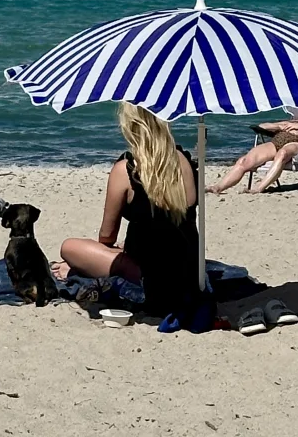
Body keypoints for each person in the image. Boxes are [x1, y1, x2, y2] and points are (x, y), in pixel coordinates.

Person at [52, 102, 200, 318]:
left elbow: (106, 236)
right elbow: (168, 225)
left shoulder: (127, 170)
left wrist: (92, 261)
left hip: (151, 278)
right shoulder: (184, 161)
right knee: (124, 251)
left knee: (70, 248)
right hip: (187, 267)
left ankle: (76, 270)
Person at [207, 110, 298, 195]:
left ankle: (258, 188)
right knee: (244, 161)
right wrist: (280, 126)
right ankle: (218, 187)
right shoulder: (292, 121)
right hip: (276, 142)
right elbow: (263, 126)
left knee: (282, 154)